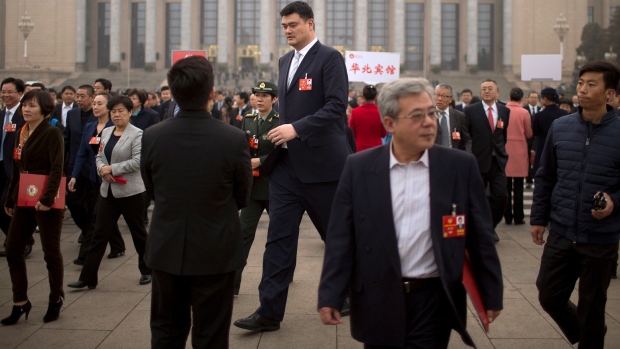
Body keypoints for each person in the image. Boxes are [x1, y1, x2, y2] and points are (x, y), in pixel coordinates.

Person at [317, 78, 503, 348]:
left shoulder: (459, 167)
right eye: (417, 116)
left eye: (431, 113)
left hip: (433, 299)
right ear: (390, 123)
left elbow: (480, 236)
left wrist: (491, 292)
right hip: (378, 294)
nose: (429, 122)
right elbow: (340, 236)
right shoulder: (359, 167)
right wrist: (330, 293)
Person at [234, 1, 351, 332]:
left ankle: (354, 292)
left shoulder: (329, 58)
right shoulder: (285, 60)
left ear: (310, 24)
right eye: (284, 25)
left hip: (323, 166)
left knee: (337, 236)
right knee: (278, 240)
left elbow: (336, 107)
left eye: (293, 25)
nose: (287, 30)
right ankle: (269, 311)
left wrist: (296, 129)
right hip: (286, 167)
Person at [141, 55, 252, 349]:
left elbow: (152, 190)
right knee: (212, 335)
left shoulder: (153, 136)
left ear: (173, 93)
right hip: (216, 248)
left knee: (166, 330)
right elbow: (243, 195)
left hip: (167, 246)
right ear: (211, 94)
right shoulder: (233, 138)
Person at [531, 60, 620, 348]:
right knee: (549, 294)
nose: (582, 89)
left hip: (600, 237)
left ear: (610, 94)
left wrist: (613, 201)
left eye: (591, 84)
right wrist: (538, 218)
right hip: (562, 229)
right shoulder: (561, 126)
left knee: (592, 306)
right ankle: (586, 334)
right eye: (581, 83)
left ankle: (590, 337)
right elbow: (545, 176)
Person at [67, 95, 151, 289]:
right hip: (108, 191)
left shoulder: (137, 134)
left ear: (130, 112)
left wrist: (112, 169)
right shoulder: (106, 132)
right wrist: (102, 170)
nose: (117, 114)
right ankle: (87, 277)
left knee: (139, 234)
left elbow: (138, 162)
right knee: (98, 234)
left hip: (131, 192)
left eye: (121, 110)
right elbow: (98, 157)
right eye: (113, 111)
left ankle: (147, 270)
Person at [2, 90, 65, 324]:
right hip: (24, 197)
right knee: (13, 249)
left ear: (45, 110)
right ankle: (20, 302)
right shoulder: (21, 132)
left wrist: (47, 199)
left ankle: (55, 298)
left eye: (32, 106)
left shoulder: (52, 133)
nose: (26, 109)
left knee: (51, 253)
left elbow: (57, 168)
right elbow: (16, 169)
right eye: (25, 105)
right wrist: (10, 199)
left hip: (46, 200)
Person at [68, 93, 125, 265]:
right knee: (99, 214)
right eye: (93, 103)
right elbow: (81, 153)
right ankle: (117, 245)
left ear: (108, 107)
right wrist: (74, 176)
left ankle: (85, 255)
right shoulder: (90, 126)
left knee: (98, 216)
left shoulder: (115, 127)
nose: (95, 107)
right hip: (92, 177)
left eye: (99, 103)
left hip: (110, 177)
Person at [235, 81, 279, 295]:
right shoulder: (248, 120)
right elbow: (242, 147)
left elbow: (285, 152)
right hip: (253, 188)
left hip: (274, 187)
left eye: (265, 96)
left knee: (279, 236)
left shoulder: (281, 121)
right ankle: (233, 284)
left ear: (274, 99)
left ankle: (282, 275)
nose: (259, 99)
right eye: (257, 95)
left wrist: (261, 160)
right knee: (243, 234)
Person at [464, 79, 510, 242]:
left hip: (497, 160)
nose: (487, 91)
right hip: (477, 160)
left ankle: (490, 227)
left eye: (490, 89)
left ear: (497, 92)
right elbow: (467, 135)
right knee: (476, 198)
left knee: (501, 196)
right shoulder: (470, 111)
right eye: (484, 89)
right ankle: (478, 229)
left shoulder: (505, 111)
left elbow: (502, 135)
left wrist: (501, 152)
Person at [64, 85, 97, 245]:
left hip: (92, 168)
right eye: (78, 96)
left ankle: (89, 235)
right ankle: (86, 229)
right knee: (72, 201)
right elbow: (67, 139)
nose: (79, 99)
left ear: (92, 97)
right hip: (74, 167)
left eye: (83, 96)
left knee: (92, 204)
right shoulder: (72, 114)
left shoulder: (98, 115)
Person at [0, 78, 28, 258]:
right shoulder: (2, 115)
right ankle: (15, 238)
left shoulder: (24, 115)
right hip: (0, 166)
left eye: (10, 92)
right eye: (3, 91)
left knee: (6, 205)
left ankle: (22, 240)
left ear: (19, 94)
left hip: (15, 168)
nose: (6, 95)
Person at [503, 87, 533, 225]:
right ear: (521, 98)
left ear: (509, 96)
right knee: (519, 186)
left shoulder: (502, 110)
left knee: (506, 186)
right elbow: (529, 133)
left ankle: (507, 215)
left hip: (504, 148)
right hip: (519, 149)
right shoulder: (524, 112)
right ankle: (519, 216)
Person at [531, 87, 568, 177]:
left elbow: (535, 132)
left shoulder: (539, 116)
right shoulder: (564, 114)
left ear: (545, 99)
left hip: (543, 146)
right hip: (561, 146)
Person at [348, 84, 387, 152]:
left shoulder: (355, 112)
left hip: (359, 148)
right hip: (376, 148)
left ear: (363, 96)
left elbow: (352, 132)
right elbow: (383, 134)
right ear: (376, 96)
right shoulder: (381, 112)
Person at [433, 83, 470, 151]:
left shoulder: (459, 116)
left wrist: (466, 154)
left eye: (444, 96)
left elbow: (466, 139)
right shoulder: (427, 114)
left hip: (453, 157)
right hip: (433, 156)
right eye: (437, 95)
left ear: (450, 99)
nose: (439, 99)